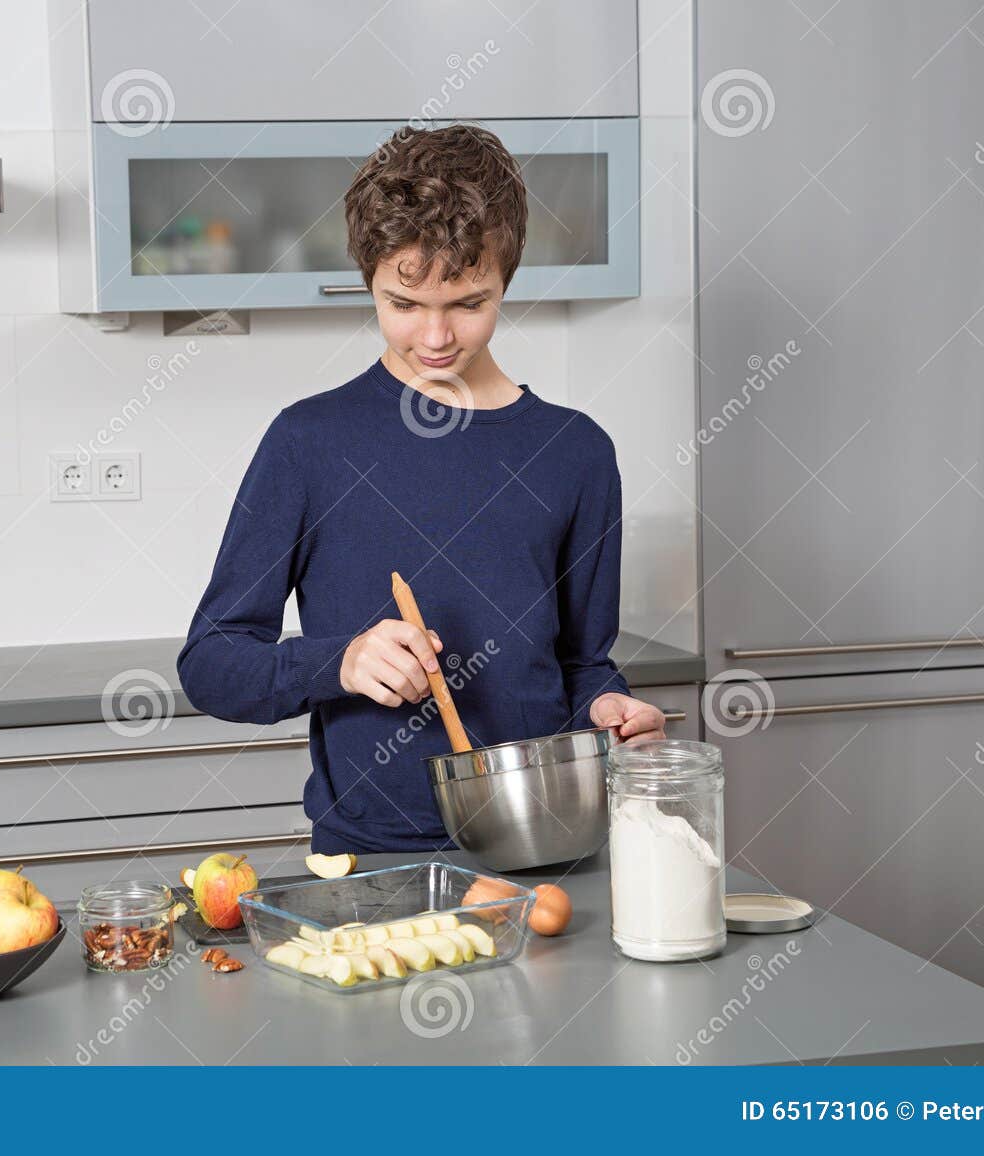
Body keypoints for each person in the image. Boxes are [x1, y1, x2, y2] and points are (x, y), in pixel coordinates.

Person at [176, 124, 665, 854]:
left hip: (545, 843)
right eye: (403, 303)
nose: (435, 336)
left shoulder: (576, 453)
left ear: (507, 279)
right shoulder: (310, 443)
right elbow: (211, 664)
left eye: (468, 303)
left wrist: (610, 708)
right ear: (368, 279)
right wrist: (337, 661)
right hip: (371, 855)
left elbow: (581, 663)